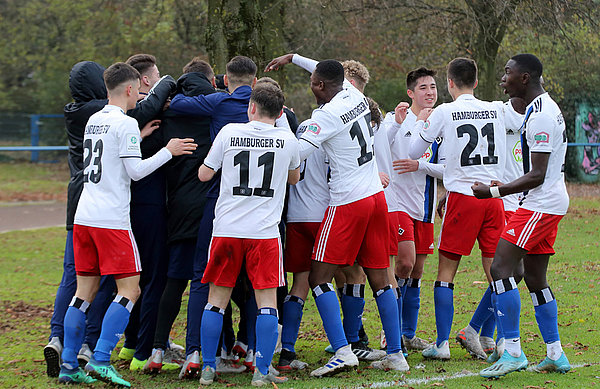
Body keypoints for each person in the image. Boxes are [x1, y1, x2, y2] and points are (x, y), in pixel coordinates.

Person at [266, 53, 409, 375]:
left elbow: (298, 152)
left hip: (349, 201)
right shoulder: (354, 94)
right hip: (376, 196)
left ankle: (343, 350)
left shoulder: (327, 115)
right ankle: (396, 354)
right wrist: (295, 59)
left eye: (313, 83)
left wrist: (268, 132)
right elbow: (327, 69)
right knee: (379, 277)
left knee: (317, 277)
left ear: (318, 86)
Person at [57, 62, 196, 387]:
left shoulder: (94, 120)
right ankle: (102, 359)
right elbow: (135, 172)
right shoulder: (125, 124)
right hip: (111, 220)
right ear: (132, 89)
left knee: (83, 292)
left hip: (84, 218)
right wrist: (167, 151)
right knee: (130, 289)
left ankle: (68, 364)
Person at [196, 83, 300, 386]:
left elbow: (205, 173)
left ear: (250, 107)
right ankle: (261, 370)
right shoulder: (288, 138)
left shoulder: (228, 132)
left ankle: (208, 367)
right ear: (280, 112)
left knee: (216, 300)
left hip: (227, 228)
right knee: (267, 302)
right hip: (264, 233)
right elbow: (294, 178)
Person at [476, 54, 571, 378]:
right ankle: (555, 354)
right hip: (547, 201)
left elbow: (538, 174)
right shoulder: (539, 109)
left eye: (508, 73)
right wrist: (507, 186)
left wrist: (493, 193)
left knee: (501, 268)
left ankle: (513, 352)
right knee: (534, 278)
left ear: (525, 78)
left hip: (540, 203)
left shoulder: (542, 115)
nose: (503, 78)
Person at [408, 58, 507, 360]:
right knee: (498, 274)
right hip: (493, 196)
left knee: (446, 273)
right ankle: (505, 341)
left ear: (450, 83)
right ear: (476, 83)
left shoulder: (444, 111)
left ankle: (442, 344)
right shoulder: (497, 108)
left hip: (464, 197)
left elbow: (414, 152)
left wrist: (423, 125)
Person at [118, 53, 184, 371]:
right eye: (157, 74)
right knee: (154, 279)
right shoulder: (146, 114)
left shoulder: (130, 114)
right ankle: (145, 351)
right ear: (146, 80)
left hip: (129, 207)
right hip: (149, 206)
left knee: (134, 277)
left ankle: (130, 345)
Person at [455, 96, 526, 360]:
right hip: (502, 200)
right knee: (509, 272)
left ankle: (483, 333)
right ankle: (486, 333)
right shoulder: (502, 111)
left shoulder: (533, 113)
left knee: (512, 273)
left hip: (521, 201)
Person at [388, 67, 443, 351]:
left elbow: (450, 168)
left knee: (417, 272)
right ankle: (391, 332)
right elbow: (380, 145)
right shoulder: (397, 119)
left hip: (425, 207)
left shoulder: (443, 124)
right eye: (423, 87)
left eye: (432, 86)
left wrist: (421, 166)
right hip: (397, 203)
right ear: (410, 93)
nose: (429, 92)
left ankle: (408, 334)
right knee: (405, 264)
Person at [277, 117, 330, 371]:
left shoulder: (294, 133)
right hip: (321, 216)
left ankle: (286, 350)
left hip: (296, 217)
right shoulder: (327, 134)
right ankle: (348, 342)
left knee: (300, 283)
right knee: (344, 277)